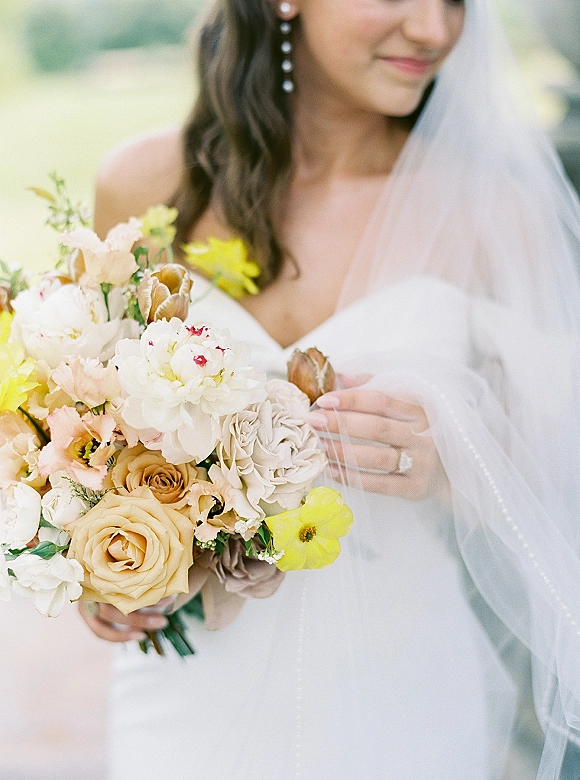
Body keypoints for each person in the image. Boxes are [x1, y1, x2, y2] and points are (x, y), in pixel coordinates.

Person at [80, 0, 580, 777]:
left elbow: (559, 469)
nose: (433, 30)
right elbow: (79, 430)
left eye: (453, 1)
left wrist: (454, 462)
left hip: (403, 684)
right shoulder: (144, 186)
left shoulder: (495, 211)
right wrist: (97, 562)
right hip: (190, 681)